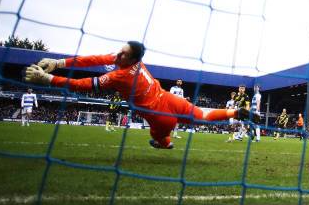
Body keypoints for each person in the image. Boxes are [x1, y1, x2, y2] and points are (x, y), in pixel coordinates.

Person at [24, 41, 255, 149]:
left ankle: (164, 144)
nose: (118, 55)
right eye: (120, 50)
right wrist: (58, 62)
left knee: (161, 138)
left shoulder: (119, 76)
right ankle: (235, 112)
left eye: (123, 54)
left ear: (132, 59)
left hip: (157, 114)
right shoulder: (130, 60)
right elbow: (94, 59)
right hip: (168, 99)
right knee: (201, 114)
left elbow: (84, 84)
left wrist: (49, 79)